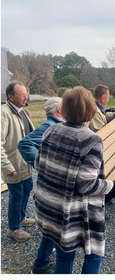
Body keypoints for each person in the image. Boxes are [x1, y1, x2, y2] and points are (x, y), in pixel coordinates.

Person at [34, 86, 115, 274]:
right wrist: (114, 186)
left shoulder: (50, 131)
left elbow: (38, 164)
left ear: (65, 108)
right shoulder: (91, 140)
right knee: (95, 254)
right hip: (70, 213)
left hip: (49, 207)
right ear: (91, 109)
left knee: (64, 252)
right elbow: (87, 184)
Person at [17, 97, 64, 273]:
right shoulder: (51, 125)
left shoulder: (57, 125)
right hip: (53, 185)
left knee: (53, 224)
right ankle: (41, 265)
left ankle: (43, 260)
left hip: (55, 185)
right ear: (59, 109)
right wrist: (43, 164)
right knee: (53, 224)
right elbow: (25, 144)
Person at [1, 81, 35, 242]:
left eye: (26, 94)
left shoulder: (23, 111)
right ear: (10, 96)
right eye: (22, 94)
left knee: (27, 189)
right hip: (13, 165)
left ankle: (21, 218)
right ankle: (14, 228)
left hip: (25, 164)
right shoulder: (4, 114)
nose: (25, 97)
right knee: (16, 196)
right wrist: (7, 166)